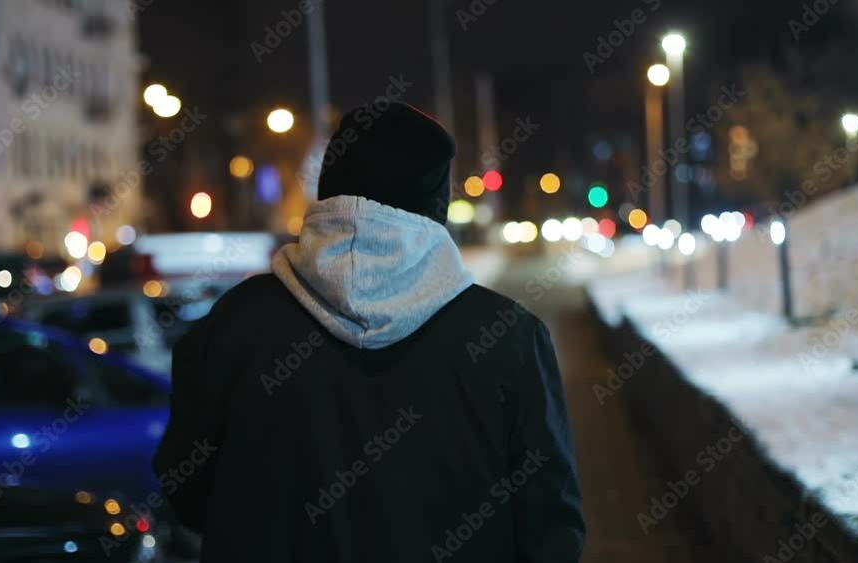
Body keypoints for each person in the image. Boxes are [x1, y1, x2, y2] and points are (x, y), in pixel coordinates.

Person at [153, 102, 585, 562]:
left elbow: (186, 491)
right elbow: (551, 527)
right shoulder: (509, 338)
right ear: (435, 201)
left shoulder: (234, 324)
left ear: (329, 187)